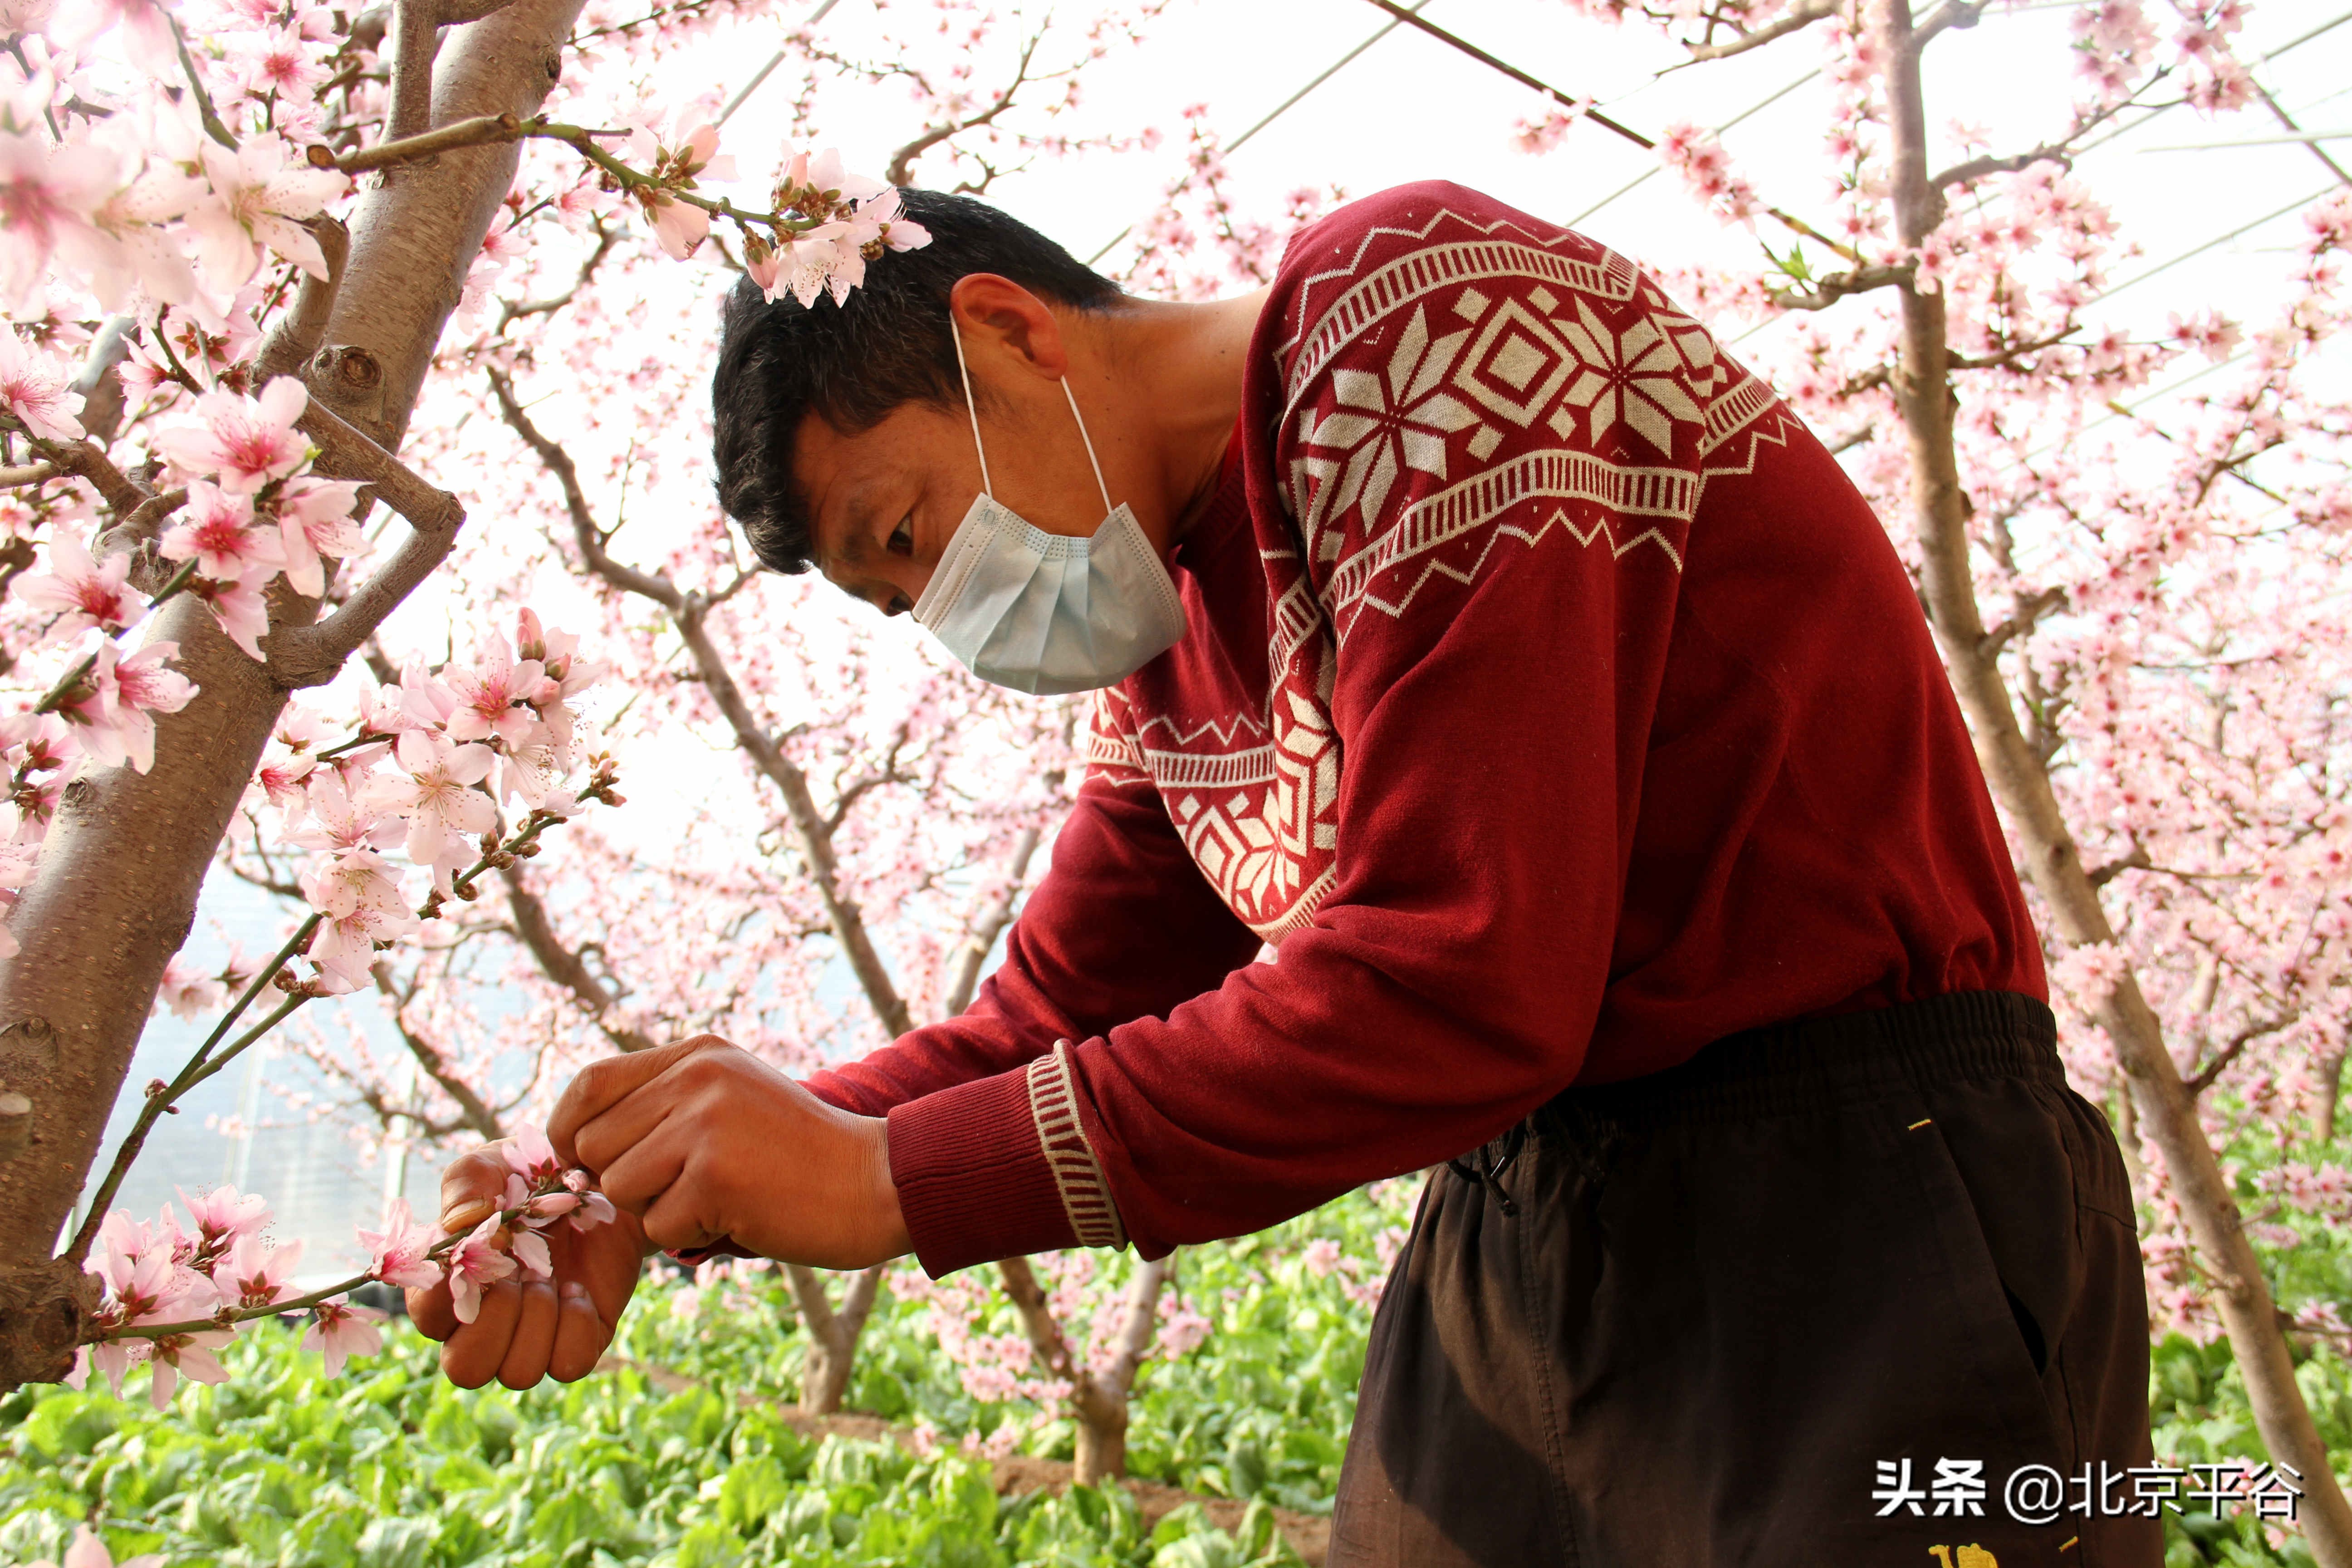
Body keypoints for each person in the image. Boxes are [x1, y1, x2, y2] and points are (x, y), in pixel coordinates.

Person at [412, 180, 2158, 1567]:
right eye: (900, 605)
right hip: (1531, 1223)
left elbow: (1467, 976)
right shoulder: (1172, 654)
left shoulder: (1414, 312)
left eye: (909, 536)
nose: (950, 620)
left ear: (1012, 331)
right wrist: (664, 1185)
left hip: (1861, 1199)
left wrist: (888, 1188)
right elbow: (1055, 1014)